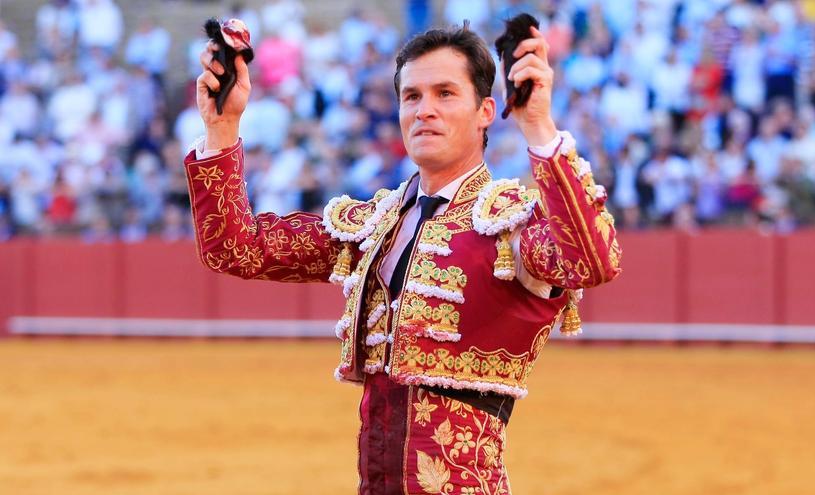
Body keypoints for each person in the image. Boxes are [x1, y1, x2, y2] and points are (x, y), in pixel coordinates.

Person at [184, 22, 621, 494]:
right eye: (411, 96)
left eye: (446, 93)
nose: (425, 110)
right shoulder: (374, 225)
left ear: (486, 112)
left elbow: (593, 262)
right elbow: (236, 248)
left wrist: (539, 126)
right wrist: (222, 127)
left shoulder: (511, 224)